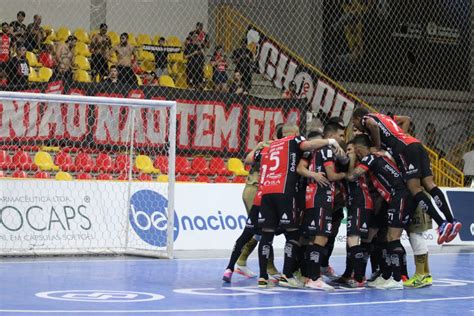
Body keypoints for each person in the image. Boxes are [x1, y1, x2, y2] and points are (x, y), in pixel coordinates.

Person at [352, 107, 461, 244]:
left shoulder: (366, 119)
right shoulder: (384, 117)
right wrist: (400, 136)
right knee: (429, 184)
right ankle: (451, 220)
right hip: (415, 143)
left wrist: (378, 147)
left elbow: (372, 125)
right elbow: (407, 119)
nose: (355, 126)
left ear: (357, 118)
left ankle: (442, 224)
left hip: (405, 149)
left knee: (414, 189)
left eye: (353, 123)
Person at [252, 124, 343, 288]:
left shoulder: (271, 146)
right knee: (293, 234)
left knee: (267, 235)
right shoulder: (294, 140)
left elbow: (249, 160)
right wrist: (330, 141)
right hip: (284, 191)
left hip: (265, 192)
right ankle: (287, 275)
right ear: (295, 133)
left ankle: (262, 277)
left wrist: (259, 145)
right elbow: (308, 146)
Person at [346, 134, 415, 290]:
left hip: (399, 197)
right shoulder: (380, 155)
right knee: (384, 237)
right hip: (391, 200)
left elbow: (351, 176)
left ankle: (397, 278)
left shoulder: (369, 158)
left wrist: (350, 162)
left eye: (353, 150)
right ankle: (387, 275)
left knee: (392, 237)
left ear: (357, 149)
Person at [297, 122, 347, 291]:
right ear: (331, 136)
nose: (342, 138)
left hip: (312, 197)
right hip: (321, 197)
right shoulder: (326, 150)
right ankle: (314, 278)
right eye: (340, 135)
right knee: (321, 237)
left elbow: (300, 168)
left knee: (313, 238)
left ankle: (308, 276)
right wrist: (346, 175)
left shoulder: (314, 151)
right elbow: (331, 175)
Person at [338, 140, 374, 288]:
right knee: (352, 240)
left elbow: (350, 177)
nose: (347, 153)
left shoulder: (359, 166)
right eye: (346, 150)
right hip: (355, 205)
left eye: (350, 150)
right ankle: (351, 274)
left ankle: (359, 278)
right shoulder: (351, 165)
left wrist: (350, 160)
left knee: (353, 239)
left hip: (361, 204)